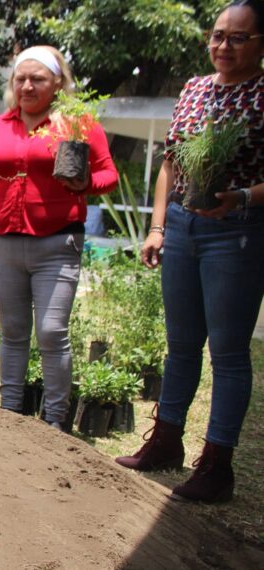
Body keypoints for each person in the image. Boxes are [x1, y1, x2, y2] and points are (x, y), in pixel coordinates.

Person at [116, 0, 263, 503]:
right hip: (181, 225)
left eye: (239, 37)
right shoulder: (196, 89)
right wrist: (158, 227)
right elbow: (171, 163)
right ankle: (166, 441)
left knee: (227, 351)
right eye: (218, 35)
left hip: (237, 230)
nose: (224, 45)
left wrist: (242, 196)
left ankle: (217, 465)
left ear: (261, 44)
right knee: (180, 343)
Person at [0, 45, 118, 429]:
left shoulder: (76, 124)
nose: (28, 86)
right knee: (13, 331)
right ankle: (9, 417)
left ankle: (55, 423)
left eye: (38, 79)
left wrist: (83, 183)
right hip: (5, 245)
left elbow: (108, 176)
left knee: (52, 332)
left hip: (57, 244)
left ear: (57, 83)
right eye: (21, 78)